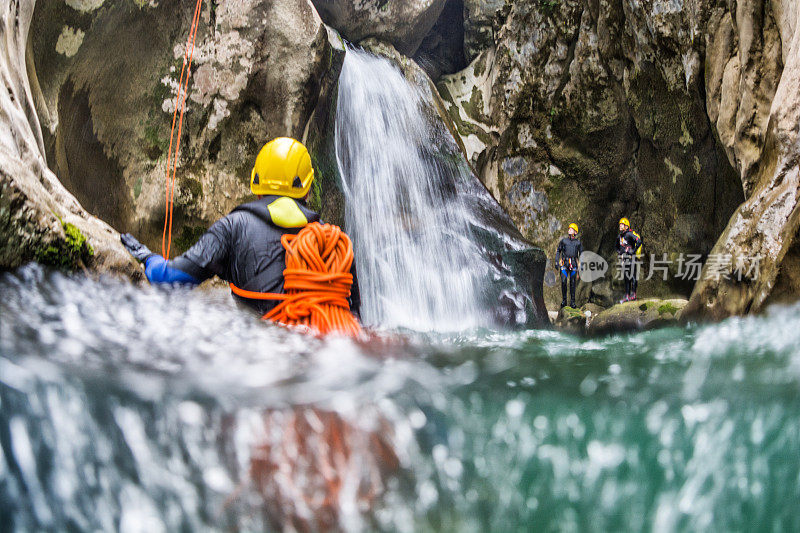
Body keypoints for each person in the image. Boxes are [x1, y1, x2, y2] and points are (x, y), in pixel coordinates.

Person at [121, 137, 359, 316]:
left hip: (257, 357)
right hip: (325, 358)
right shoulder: (335, 243)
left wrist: (147, 257)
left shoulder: (233, 227)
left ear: (255, 183)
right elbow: (354, 315)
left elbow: (170, 279)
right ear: (307, 189)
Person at [616, 217, 643, 303]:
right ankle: (627, 295)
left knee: (633, 276)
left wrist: (633, 250)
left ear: (626, 226)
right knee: (626, 277)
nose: (620, 226)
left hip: (631, 258)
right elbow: (616, 246)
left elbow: (638, 241)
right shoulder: (619, 236)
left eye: (622, 224)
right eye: (620, 224)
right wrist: (620, 252)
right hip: (624, 259)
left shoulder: (629, 234)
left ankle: (633, 294)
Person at [556, 223, 582, 308]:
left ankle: (572, 302)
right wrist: (557, 262)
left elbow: (582, 255)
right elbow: (558, 251)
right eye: (569, 228)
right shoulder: (564, 241)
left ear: (575, 232)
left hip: (573, 264)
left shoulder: (578, 243)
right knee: (563, 281)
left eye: (571, 229)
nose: (569, 230)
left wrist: (581, 267)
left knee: (572, 283)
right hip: (564, 263)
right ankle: (564, 301)